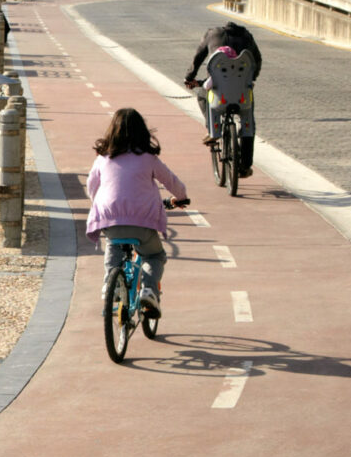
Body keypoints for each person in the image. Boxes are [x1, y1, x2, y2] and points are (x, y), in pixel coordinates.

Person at [85, 108, 188, 316]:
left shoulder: (103, 158)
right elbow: (171, 181)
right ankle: (149, 289)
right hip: (142, 220)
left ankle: (109, 284)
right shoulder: (149, 158)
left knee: (114, 245)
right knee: (155, 255)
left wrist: (99, 203)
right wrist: (182, 197)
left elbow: (91, 186)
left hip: (109, 216)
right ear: (143, 132)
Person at [183, 21, 262, 139]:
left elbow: (198, 58)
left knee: (201, 95)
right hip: (242, 92)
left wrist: (189, 77)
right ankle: (247, 150)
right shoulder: (247, 36)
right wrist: (252, 79)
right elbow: (257, 59)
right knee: (248, 119)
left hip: (218, 91)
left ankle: (212, 128)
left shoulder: (212, 34)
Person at [198, 45, 259, 177]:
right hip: (242, 104)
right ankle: (246, 132)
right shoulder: (243, 73)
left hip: (220, 104)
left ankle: (214, 131)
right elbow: (251, 85)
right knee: (246, 118)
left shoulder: (217, 74)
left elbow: (206, 86)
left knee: (210, 99)